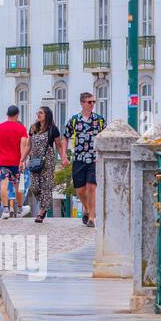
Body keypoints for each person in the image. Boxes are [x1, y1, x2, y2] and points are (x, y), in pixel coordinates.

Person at [65, 91, 107, 228]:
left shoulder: (99, 120)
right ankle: (87, 208)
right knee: (80, 190)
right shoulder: (74, 120)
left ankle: (91, 218)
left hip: (94, 158)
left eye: (93, 102)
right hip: (79, 158)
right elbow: (65, 136)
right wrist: (64, 155)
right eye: (90, 102)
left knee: (91, 187)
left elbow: (105, 137)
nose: (92, 104)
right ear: (82, 103)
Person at [21, 106, 67, 224]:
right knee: (35, 187)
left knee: (46, 186)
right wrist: (22, 158)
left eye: (41, 113)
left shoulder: (53, 129)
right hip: (34, 159)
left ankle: (41, 212)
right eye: (38, 112)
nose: (38, 115)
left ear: (47, 114)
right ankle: (45, 204)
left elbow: (58, 145)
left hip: (48, 160)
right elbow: (28, 145)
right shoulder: (33, 128)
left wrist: (63, 158)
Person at [0, 105, 28, 219]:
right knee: (17, 186)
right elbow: (24, 144)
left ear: (7, 114)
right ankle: (20, 208)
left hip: (1, 162)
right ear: (17, 115)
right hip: (15, 162)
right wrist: (22, 161)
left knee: (3, 184)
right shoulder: (21, 129)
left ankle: (5, 209)